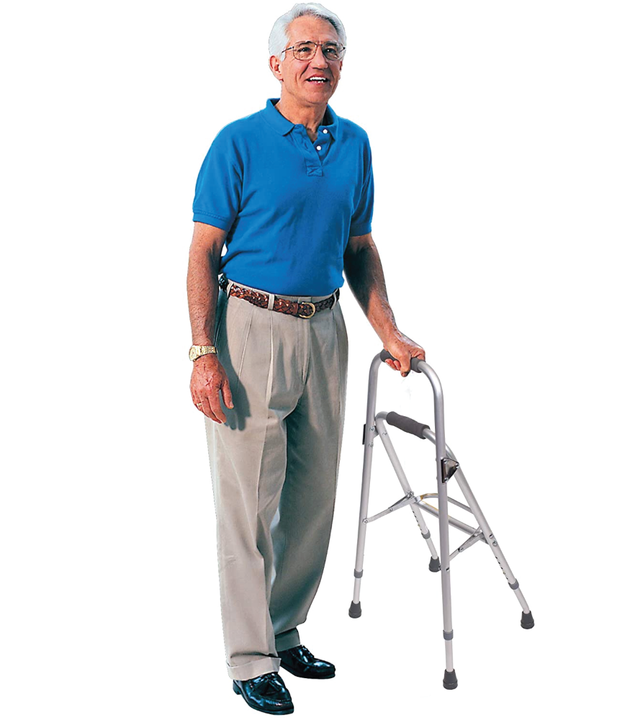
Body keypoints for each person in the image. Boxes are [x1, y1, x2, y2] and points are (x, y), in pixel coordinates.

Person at [186, 3, 424, 715]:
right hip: (250, 326)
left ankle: (284, 627)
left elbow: (359, 247)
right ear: (276, 64)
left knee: (315, 495)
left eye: (330, 50)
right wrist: (204, 352)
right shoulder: (239, 142)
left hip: (326, 330)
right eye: (303, 50)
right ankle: (250, 657)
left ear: (342, 64)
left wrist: (389, 330)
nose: (318, 61)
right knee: (247, 504)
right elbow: (201, 251)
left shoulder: (354, 144)